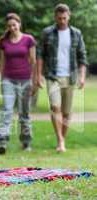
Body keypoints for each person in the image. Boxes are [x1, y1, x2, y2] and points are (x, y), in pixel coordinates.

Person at [37, 4, 87, 152]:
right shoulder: (47, 33)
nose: (62, 21)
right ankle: (60, 140)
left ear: (69, 16)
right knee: (55, 107)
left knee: (66, 112)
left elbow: (82, 56)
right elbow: (40, 54)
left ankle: (62, 139)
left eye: (64, 18)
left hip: (70, 76)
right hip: (52, 75)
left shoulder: (76, 34)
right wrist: (39, 74)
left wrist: (82, 76)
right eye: (59, 18)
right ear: (55, 17)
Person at [0, 13, 37, 155]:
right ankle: (2, 142)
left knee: (24, 112)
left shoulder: (28, 39)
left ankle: (26, 142)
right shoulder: (3, 41)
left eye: (14, 24)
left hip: (25, 80)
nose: (12, 28)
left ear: (19, 24)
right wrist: (2, 79)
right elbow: (2, 62)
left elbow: (33, 61)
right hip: (8, 80)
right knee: (7, 110)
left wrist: (34, 80)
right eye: (9, 26)